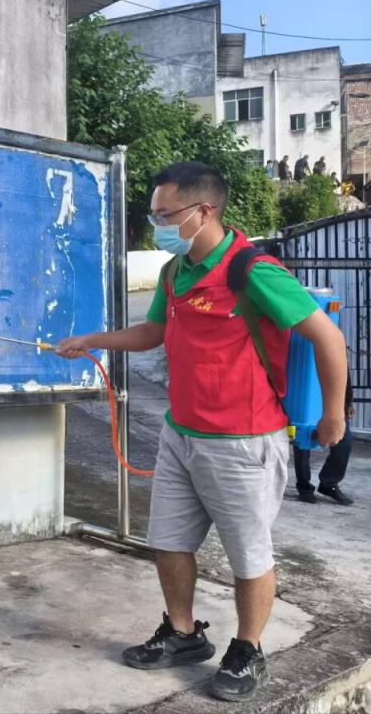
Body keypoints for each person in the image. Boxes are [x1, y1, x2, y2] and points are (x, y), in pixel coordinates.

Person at [57, 162, 347, 703]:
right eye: (154, 215)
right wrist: (92, 340)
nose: (158, 225)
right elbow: (154, 331)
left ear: (203, 211)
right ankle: (183, 633)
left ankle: (248, 649)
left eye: (166, 215)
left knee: (248, 555)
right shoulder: (175, 271)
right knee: (168, 542)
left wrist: (334, 416)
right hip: (181, 435)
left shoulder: (252, 271)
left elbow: (327, 337)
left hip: (243, 441)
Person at [295, 373, 355, 504]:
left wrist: (348, 403)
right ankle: (304, 487)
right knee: (303, 444)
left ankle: (329, 483)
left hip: (333, 402)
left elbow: (342, 373)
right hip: (305, 396)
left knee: (345, 442)